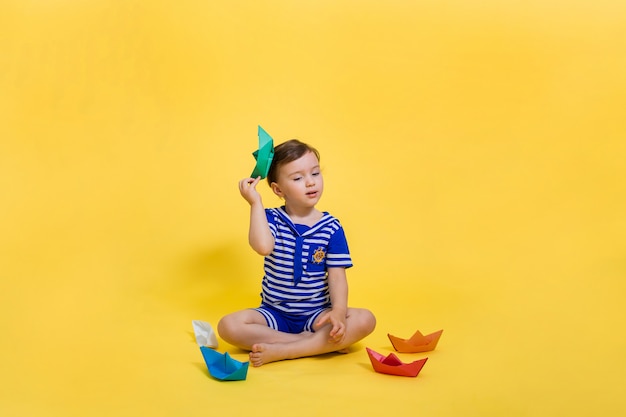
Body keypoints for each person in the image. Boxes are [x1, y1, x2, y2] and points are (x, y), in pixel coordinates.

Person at [217, 139, 376, 367]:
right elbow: (263, 247)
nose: (310, 183)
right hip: (274, 314)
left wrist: (339, 312)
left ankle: (287, 350)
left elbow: (337, 275)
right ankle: (307, 344)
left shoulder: (331, 227)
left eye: (315, 173)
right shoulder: (271, 219)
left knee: (366, 319)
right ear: (278, 190)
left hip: (317, 315)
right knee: (228, 326)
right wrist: (255, 204)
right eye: (298, 178)